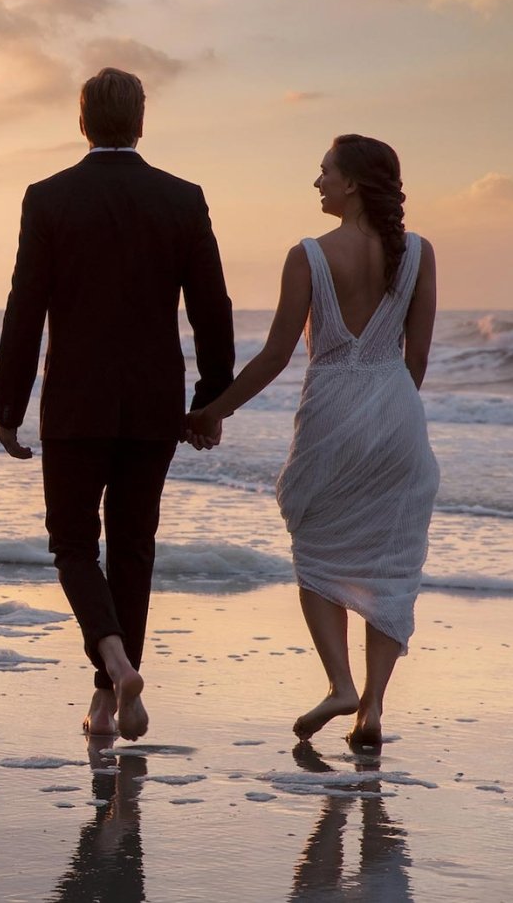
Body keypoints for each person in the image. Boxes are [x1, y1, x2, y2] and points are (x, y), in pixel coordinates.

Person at [0, 66, 235, 741]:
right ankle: (110, 698)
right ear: (141, 121)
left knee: (73, 544)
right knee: (133, 547)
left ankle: (114, 664)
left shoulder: (48, 198)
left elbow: (24, 309)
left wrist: (9, 406)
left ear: (82, 122)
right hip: (154, 402)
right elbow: (211, 307)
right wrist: (211, 398)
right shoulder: (182, 199)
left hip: (76, 402)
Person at [186, 134, 439, 747]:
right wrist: (386, 411)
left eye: (324, 172)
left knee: (317, 548)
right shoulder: (420, 253)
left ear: (351, 183)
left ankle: (340, 683)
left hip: (330, 413)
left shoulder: (308, 255)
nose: (318, 182)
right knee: (391, 564)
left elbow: (276, 355)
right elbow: (418, 359)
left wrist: (211, 413)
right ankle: (372, 709)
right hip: (398, 416)